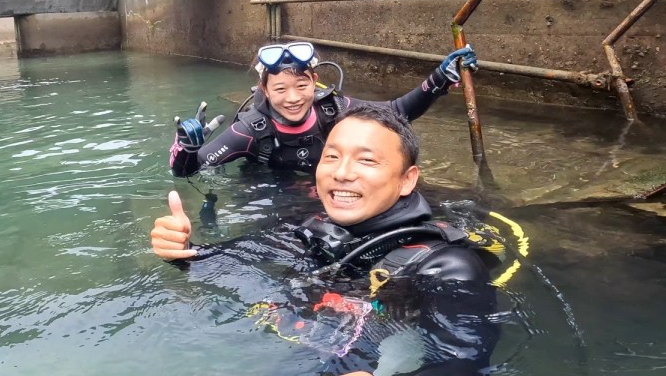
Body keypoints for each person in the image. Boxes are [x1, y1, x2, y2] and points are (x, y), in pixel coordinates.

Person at [152, 103, 498, 375]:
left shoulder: (448, 267)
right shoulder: (312, 230)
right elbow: (231, 262)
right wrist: (181, 252)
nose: (342, 173)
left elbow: (462, 363)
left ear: (407, 180)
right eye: (331, 156)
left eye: (366, 160)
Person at [169, 41, 477, 178]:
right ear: (264, 89)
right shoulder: (249, 131)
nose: (293, 98)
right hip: (273, 198)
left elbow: (397, 112)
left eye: (301, 86)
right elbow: (188, 171)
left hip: (332, 187)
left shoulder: (335, 108)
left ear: (315, 82)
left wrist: (438, 80)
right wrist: (185, 149)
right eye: (280, 89)